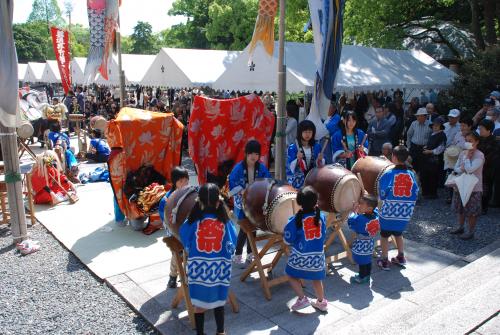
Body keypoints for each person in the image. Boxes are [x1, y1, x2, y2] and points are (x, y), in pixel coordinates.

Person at [179, 183, 237, 335]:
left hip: (199, 270)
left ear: (199, 202)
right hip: (220, 269)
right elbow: (233, 243)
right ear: (219, 202)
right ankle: (220, 331)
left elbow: (184, 237)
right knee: (219, 302)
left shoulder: (192, 221)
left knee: (199, 304)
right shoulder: (225, 222)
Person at [283, 186, 328, 312]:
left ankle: (302, 299)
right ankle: (321, 302)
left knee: (291, 274)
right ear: (316, 201)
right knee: (316, 279)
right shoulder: (322, 217)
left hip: (301, 256)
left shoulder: (295, 220)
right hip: (317, 256)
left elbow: (287, 239)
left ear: (299, 203)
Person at [229, 140, 271, 267]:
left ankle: (250, 253)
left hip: (255, 201)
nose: (254, 156)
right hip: (242, 201)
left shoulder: (261, 167)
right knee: (244, 227)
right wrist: (242, 191)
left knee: (254, 226)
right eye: (251, 153)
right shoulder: (238, 168)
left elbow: (268, 180)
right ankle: (238, 253)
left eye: (257, 154)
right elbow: (232, 182)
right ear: (246, 153)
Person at [377, 145, 419, 270]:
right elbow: (416, 191)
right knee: (398, 234)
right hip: (404, 212)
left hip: (389, 211)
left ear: (393, 157)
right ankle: (401, 256)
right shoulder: (411, 174)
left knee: (384, 235)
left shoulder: (388, 173)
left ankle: (384, 260)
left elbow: (383, 193)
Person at [158, 167, 190, 289]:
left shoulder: (190, 194)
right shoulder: (166, 200)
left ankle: (187, 275)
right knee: (177, 254)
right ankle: (173, 276)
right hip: (173, 232)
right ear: (174, 182)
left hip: (187, 230)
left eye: (186, 181)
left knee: (189, 251)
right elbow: (165, 219)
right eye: (181, 181)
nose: (184, 184)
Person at [450, 132, 485, 240]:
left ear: (477, 142)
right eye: (467, 141)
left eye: (471, 141)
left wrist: (467, 158)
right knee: (460, 208)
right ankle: (460, 226)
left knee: (471, 211)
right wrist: (464, 161)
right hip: (461, 184)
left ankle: (470, 231)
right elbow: (456, 168)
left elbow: (470, 169)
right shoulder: (462, 153)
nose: (468, 143)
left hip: (474, 187)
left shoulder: (480, 155)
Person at [348, 194, 380, 284]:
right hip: (370, 243)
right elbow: (376, 208)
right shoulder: (376, 215)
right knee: (367, 260)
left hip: (361, 244)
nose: (359, 205)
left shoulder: (361, 219)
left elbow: (351, 222)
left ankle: (362, 277)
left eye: (361, 204)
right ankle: (367, 276)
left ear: (369, 208)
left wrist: (353, 212)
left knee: (362, 261)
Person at [287, 120, 324, 189]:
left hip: (313, 179)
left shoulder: (317, 146)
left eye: (310, 132)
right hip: (298, 180)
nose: (307, 134)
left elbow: (320, 165)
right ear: (300, 132)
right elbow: (290, 167)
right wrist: (297, 160)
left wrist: (319, 160)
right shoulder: (293, 147)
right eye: (305, 132)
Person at [420, 117, 447, 198]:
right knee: (426, 175)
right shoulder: (433, 134)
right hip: (427, 159)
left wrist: (430, 151)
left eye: (437, 126)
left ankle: (432, 194)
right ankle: (426, 192)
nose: (435, 127)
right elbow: (431, 144)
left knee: (433, 177)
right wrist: (426, 147)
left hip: (435, 159)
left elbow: (441, 148)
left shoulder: (442, 135)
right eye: (434, 125)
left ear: (440, 127)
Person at [477, 119, 499, 215]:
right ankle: (476, 205)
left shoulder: (495, 141)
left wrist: (479, 161)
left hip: (488, 168)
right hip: (477, 166)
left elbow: (492, 157)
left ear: (489, 130)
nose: (480, 130)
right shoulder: (479, 139)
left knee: (486, 187)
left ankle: (484, 207)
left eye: (481, 129)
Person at [406, 107, 432, 174]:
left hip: (424, 149)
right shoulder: (414, 123)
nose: (418, 117)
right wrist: (409, 147)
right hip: (414, 148)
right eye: (417, 116)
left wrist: (428, 147)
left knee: (423, 168)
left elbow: (432, 138)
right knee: (412, 166)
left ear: (425, 116)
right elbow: (409, 135)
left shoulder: (430, 124)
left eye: (420, 116)